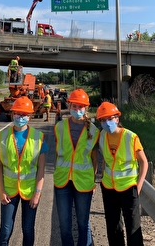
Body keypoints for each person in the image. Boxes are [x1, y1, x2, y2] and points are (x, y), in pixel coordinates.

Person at [0, 96, 48, 246]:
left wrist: (37, 194)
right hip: (8, 191)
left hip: (30, 191)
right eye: (18, 113)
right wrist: (1, 191)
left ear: (30, 116)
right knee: (5, 230)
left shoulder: (38, 137)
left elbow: (41, 170)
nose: (21, 117)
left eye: (24, 114)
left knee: (28, 229)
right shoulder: (2, 136)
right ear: (13, 114)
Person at [96, 101, 149, 246]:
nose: (107, 122)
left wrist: (138, 187)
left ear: (117, 118)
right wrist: (101, 178)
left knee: (133, 228)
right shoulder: (102, 136)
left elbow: (144, 162)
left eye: (110, 118)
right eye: (103, 120)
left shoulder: (130, 137)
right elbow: (105, 160)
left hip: (128, 187)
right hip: (108, 187)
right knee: (113, 226)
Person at [54, 88, 100, 246]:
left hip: (84, 182)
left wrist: (93, 181)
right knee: (65, 226)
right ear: (69, 106)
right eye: (74, 106)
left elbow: (95, 158)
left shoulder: (93, 131)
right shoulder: (59, 127)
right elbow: (57, 154)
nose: (77, 110)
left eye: (80, 107)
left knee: (83, 224)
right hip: (62, 181)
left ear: (86, 108)